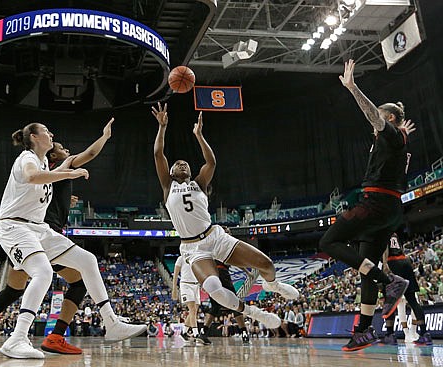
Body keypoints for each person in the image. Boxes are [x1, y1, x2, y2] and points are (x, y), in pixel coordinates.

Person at [0, 122, 145, 359]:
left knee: (87, 260)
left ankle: (111, 323)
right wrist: (69, 173)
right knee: (42, 273)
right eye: (47, 132)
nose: (52, 134)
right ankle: (17, 338)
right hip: (15, 226)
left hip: (39, 229)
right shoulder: (26, 158)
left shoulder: (46, 162)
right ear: (35, 137)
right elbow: (31, 176)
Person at [152, 103, 298, 332]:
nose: (181, 163)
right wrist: (162, 127)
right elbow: (158, 153)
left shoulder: (199, 183)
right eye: (177, 164)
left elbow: (211, 162)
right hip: (194, 248)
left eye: (185, 164)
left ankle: (273, 285)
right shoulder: (167, 186)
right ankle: (254, 313)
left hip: (216, 236)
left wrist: (199, 135)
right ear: (170, 172)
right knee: (213, 286)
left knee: (267, 264)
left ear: (191, 173)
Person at [319, 59, 416, 351]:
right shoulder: (394, 142)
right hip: (388, 210)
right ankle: (363, 330)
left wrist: (352, 88)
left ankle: (389, 281)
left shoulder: (390, 134)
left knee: (329, 240)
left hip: (376, 204)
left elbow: (376, 118)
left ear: (390, 120)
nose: (376, 126)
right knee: (366, 268)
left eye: (383, 119)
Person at [201, 226, 260, 344]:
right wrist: (247, 272)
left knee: (215, 306)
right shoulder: (226, 244)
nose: (229, 233)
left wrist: (203, 279)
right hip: (221, 273)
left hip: (212, 275)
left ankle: (203, 333)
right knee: (235, 304)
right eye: (227, 232)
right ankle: (244, 332)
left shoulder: (211, 245)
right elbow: (236, 260)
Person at [381, 233, 431, 345]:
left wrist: (385, 264)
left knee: (390, 300)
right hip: (405, 261)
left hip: (392, 262)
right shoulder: (394, 232)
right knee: (412, 300)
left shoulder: (382, 228)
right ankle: (424, 334)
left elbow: (385, 247)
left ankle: (390, 334)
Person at [172, 255, 206, 345]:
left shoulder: (196, 258)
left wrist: (203, 284)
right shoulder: (181, 258)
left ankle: (184, 332)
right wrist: (174, 288)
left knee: (194, 312)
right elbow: (175, 274)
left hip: (196, 285)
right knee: (192, 309)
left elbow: (200, 273)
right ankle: (196, 334)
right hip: (186, 285)